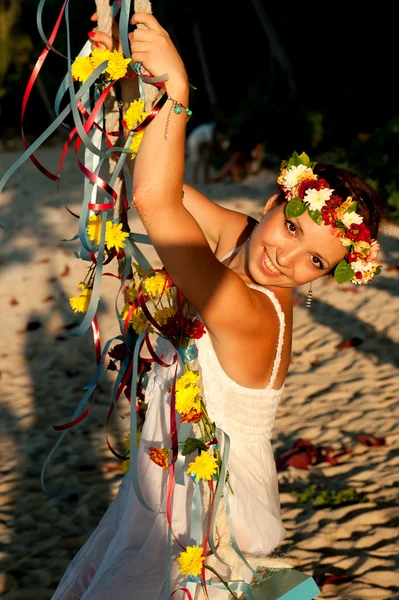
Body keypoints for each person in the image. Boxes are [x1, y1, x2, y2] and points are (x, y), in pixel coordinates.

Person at [50, 11, 384, 600]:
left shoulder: (253, 313)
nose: (286, 256)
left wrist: (178, 87)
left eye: (314, 262)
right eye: (292, 228)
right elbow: (154, 178)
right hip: (157, 492)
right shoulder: (241, 238)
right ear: (275, 202)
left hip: (199, 522)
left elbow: (156, 206)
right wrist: (128, 72)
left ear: (323, 279)